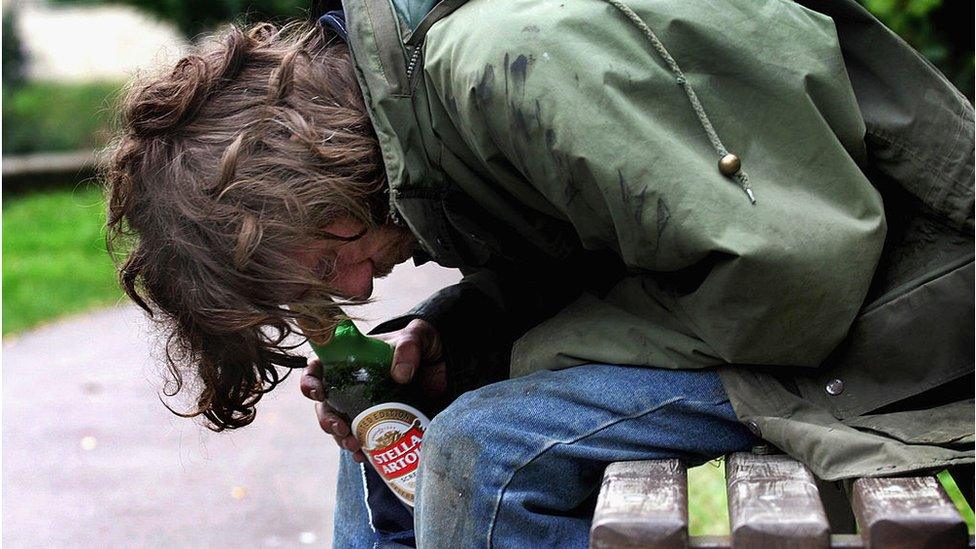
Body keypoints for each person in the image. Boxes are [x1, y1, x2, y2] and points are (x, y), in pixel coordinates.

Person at [103, 0, 974, 546]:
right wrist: (465, 331)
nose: (360, 291)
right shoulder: (430, 104)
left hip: (905, 311)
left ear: (309, 173)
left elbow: (790, 274)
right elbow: (625, 241)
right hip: (806, 295)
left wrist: (517, 358)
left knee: (485, 448)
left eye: (332, 260)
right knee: (391, 426)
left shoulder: (504, 61)